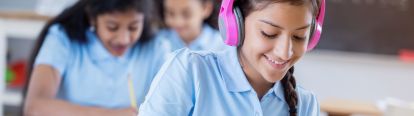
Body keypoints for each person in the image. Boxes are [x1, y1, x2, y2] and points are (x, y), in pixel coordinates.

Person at [139, 0, 326, 115]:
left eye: (299, 37)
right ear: (236, 24)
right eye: (269, 33)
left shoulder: (305, 105)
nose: (284, 52)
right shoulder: (190, 71)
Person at [24, 0, 166, 115]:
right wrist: (110, 114)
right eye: (112, 27)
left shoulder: (157, 48)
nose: (123, 39)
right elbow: (35, 107)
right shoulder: (62, 39)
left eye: (133, 27)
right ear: (93, 18)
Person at [154, 0, 229, 52]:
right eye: (170, 13)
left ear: (206, 8)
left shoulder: (222, 46)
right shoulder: (158, 42)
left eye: (186, 14)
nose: (178, 22)